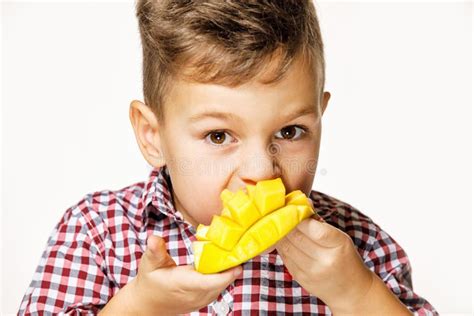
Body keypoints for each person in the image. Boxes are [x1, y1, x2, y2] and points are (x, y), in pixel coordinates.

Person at [18, 0, 438, 314]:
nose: (261, 170)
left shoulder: (359, 248)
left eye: (290, 132)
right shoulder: (96, 233)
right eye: (219, 135)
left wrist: (358, 294)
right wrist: (140, 306)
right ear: (153, 135)